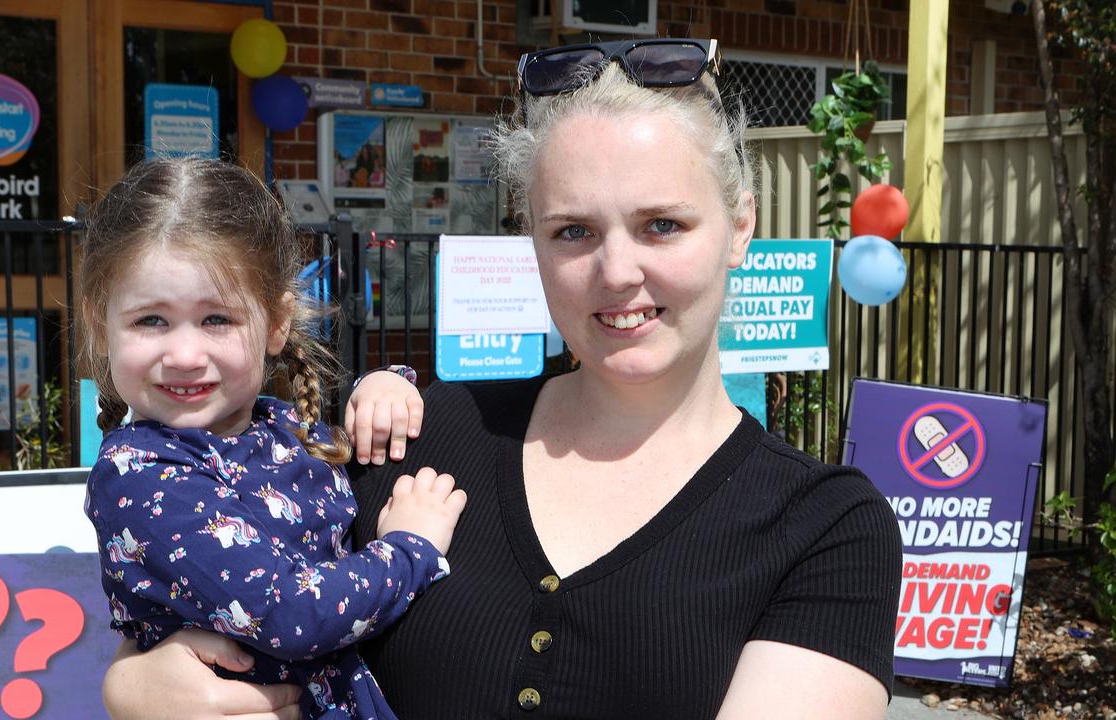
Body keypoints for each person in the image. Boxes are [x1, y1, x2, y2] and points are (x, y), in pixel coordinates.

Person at [101, 39, 903, 720]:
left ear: (741, 227)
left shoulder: (825, 530)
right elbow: (222, 587)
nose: (617, 271)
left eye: (662, 224)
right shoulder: (420, 439)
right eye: (573, 231)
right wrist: (132, 684)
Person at [78, 158, 467, 719]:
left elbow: (350, 460)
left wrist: (383, 389)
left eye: (217, 319)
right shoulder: (138, 475)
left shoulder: (276, 426)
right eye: (150, 321)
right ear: (100, 325)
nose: (184, 356)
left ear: (277, 322)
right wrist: (410, 548)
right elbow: (292, 616)